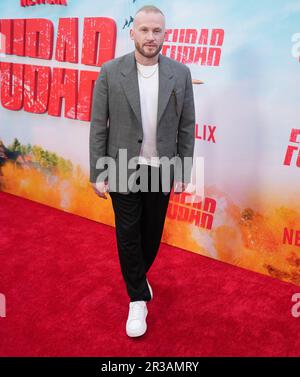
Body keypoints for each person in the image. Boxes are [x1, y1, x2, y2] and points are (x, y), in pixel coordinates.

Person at [89, 5, 195, 337]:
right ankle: (137, 298)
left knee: (150, 234)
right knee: (127, 234)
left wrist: (183, 169)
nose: (151, 37)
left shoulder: (181, 73)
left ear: (165, 35)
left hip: (161, 169)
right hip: (120, 165)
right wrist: (97, 171)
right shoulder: (110, 71)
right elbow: (98, 126)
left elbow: (187, 126)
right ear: (132, 33)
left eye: (157, 31)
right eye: (145, 30)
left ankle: (137, 277)